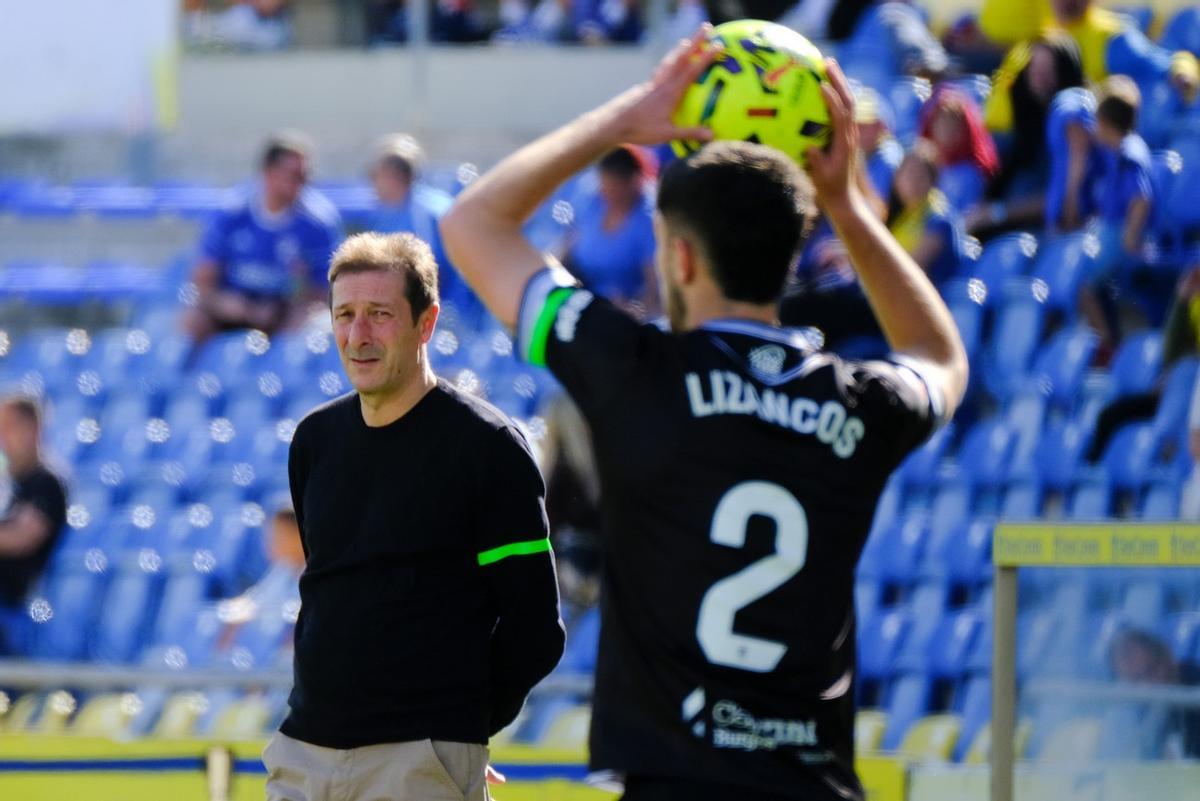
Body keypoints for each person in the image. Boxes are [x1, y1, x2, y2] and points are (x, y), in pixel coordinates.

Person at [441, 29, 967, 801]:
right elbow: (940, 355)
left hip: (674, 781)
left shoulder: (634, 372)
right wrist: (851, 208)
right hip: (811, 786)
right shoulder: (855, 401)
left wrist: (631, 116)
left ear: (680, 259)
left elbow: (474, 223)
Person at [264, 232, 565, 801]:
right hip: (303, 755)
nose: (358, 336)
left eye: (379, 315)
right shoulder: (313, 441)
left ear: (426, 323)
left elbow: (535, 629)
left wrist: (459, 735)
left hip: (418, 762)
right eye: (345, 315)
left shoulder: (488, 446)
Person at [183, 133, 342, 349]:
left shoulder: (318, 223)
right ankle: (186, 381)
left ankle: (288, 378)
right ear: (267, 172)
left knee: (313, 323)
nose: (300, 183)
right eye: (293, 174)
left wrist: (296, 293)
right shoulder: (230, 215)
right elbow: (202, 282)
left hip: (284, 312)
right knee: (191, 321)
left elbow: (326, 294)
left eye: (305, 176)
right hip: (231, 307)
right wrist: (225, 304)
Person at [1080, 76, 1155, 349]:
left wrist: (1130, 236)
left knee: (1080, 283)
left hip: (1119, 233)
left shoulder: (1129, 153)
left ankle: (1105, 343)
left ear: (1105, 122)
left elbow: (1141, 198)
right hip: (1108, 229)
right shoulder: (1114, 151)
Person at [367, 134, 469, 306]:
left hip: (444, 313)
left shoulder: (424, 214)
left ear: (392, 175)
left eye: (374, 175)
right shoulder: (387, 212)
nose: (372, 183)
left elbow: (430, 269)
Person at [0, 395, 67, 650]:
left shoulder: (47, 483)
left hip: (14, 606)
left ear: (34, 428)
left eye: (9, 427)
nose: (2, 437)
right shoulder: (11, 484)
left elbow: (21, 538)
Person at [563, 145, 658, 312]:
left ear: (634, 182)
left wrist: (632, 317)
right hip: (582, 301)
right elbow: (565, 252)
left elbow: (655, 291)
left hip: (626, 312)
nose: (609, 194)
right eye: (606, 186)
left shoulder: (650, 219)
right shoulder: (590, 198)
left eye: (617, 188)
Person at [917, 85, 999, 211]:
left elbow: (967, 217)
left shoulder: (970, 174)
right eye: (940, 121)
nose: (946, 129)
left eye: (953, 123)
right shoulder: (922, 167)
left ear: (965, 130)